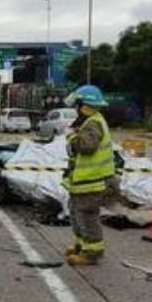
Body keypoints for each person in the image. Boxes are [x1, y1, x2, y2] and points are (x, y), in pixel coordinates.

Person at [62, 85, 116, 266]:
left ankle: (92, 253)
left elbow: (87, 147)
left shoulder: (93, 123)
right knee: (76, 214)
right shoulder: (87, 122)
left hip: (92, 182)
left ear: (84, 106)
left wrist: (71, 137)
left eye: (77, 105)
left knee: (87, 216)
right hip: (83, 181)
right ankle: (81, 245)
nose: (75, 109)